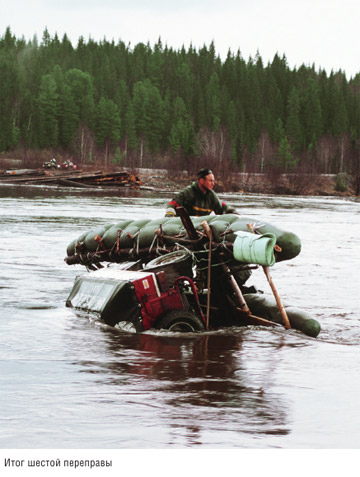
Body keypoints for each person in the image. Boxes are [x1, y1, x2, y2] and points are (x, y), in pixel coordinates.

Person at [165, 168, 236, 217]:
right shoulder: (188, 193)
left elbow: (221, 206)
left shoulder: (211, 195)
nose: (213, 184)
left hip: (201, 228)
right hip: (185, 228)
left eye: (213, 181)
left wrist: (232, 212)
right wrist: (169, 216)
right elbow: (173, 204)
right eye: (210, 181)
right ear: (201, 181)